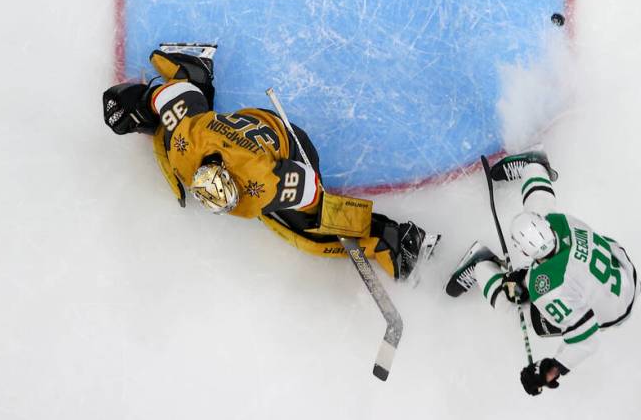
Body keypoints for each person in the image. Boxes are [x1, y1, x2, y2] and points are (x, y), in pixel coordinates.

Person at [102, 43, 437, 280]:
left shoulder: (261, 182)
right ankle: (195, 70)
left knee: (307, 231)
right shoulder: (190, 138)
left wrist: (325, 215)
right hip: (249, 127)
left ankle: (391, 236)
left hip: (290, 143)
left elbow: (309, 189)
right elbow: (173, 98)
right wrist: (139, 102)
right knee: (168, 105)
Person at [445, 150, 640, 396]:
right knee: (543, 210)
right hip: (626, 277)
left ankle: (480, 264)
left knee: (514, 307)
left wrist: (553, 369)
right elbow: (560, 269)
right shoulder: (561, 224)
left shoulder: (545, 287)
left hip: (611, 310)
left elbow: (586, 338)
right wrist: (526, 278)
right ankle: (533, 166)